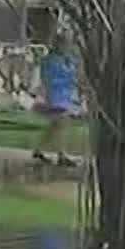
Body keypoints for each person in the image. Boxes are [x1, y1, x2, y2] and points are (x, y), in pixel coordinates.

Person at [33, 32, 80, 166]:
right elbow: (47, 79)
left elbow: (74, 75)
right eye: (64, 44)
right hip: (55, 96)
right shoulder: (49, 60)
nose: (67, 47)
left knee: (56, 126)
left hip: (66, 96)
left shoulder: (69, 59)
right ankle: (62, 154)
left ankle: (40, 149)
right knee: (61, 122)